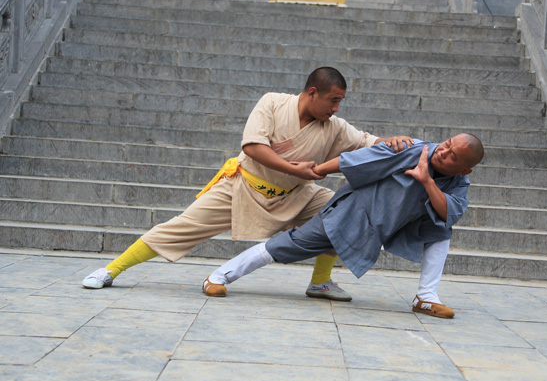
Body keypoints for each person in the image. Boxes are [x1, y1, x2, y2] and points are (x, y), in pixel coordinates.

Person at [82, 66, 413, 301]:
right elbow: (253, 147)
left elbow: (367, 141)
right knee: (181, 226)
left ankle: (321, 282)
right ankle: (111, 270)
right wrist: (295, 169)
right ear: (313, 93)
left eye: (340, 102)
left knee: (337, 211)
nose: (336, 107)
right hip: (243, 186)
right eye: (333, 100)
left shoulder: (336, 127)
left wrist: (391, 141)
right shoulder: (272, 103)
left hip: (297, 194)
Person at [202, 133, 484, 318]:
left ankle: (425, 298)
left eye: (452, 156)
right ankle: (219, 276)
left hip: (394, 226)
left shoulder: (459, 181)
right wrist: (317, 170)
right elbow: (358, 159)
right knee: (290, 245)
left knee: (441, 230)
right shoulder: (412, 149)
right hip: (351, 216)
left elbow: (450, 212)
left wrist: (426, 181)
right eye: (446, 145)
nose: (443, 152)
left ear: (464, 169)